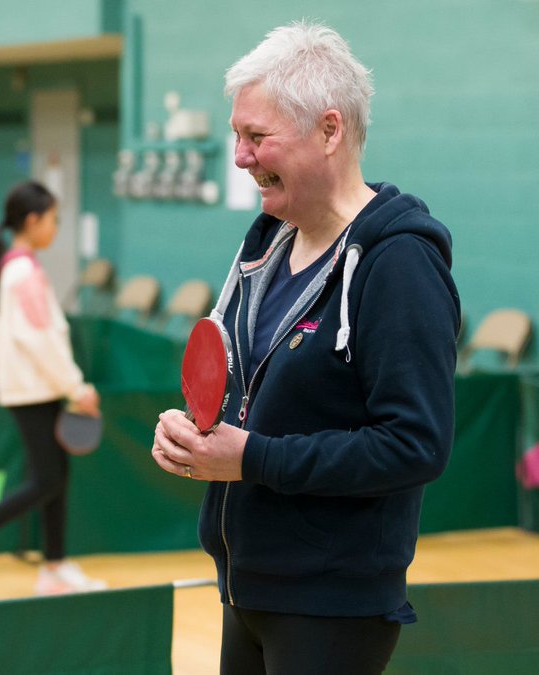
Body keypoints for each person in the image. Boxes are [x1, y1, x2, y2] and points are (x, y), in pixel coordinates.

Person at [150, 22, 459, 674]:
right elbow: (247, 388)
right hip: (244, 584)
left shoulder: (397, 263)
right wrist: (194, 434)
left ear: (329, 130)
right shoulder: (265, 241)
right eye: (238, 135)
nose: (238, 155)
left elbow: (415, 443)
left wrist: (254, 457)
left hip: (332, 603)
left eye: (256, 137)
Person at [0, 180, 104, 595]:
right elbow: (39, 338)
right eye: (53, 219)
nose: (55, 227)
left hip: (37, 390)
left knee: (56, 479)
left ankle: (54, 566)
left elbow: (0, 334)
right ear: (32, 221)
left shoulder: (15, 266)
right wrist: (76, 386)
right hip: (35, 392)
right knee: (47, 480)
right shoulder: (21, 273)